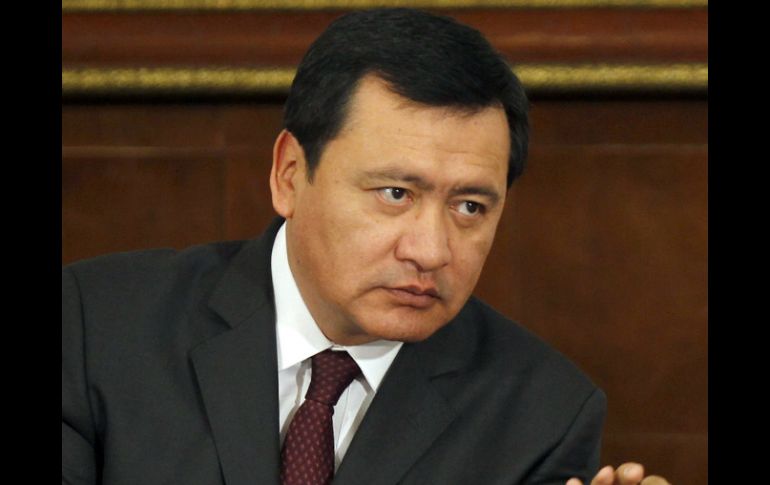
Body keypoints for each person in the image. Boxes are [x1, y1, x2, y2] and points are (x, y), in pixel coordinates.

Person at [62, 8, 670, 485]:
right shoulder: (95, 327)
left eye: (469, 207)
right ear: (289, 174)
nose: (431, 251)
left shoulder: (542, 415)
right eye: (395, 193)